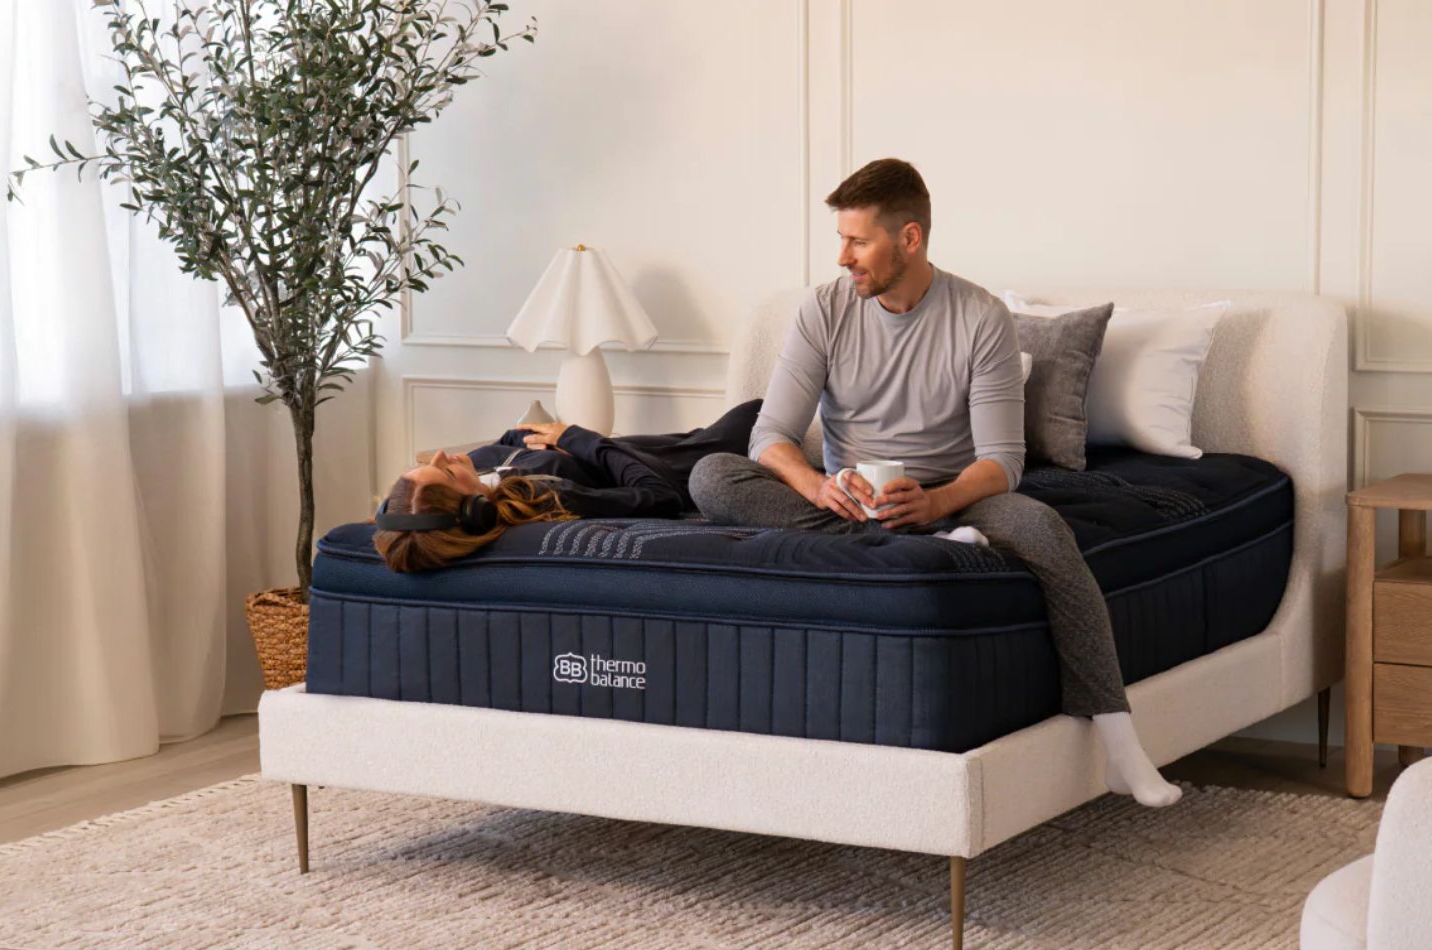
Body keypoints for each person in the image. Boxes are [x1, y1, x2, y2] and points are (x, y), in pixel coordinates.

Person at [687, 158, 1181, 808]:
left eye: (858, 241)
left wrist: (938, 501)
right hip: (851, 503)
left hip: (955, 494)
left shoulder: (979, 318)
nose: (843, 257)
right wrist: (814, 487)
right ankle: (910, 539)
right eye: (842, 240)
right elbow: (769, 436)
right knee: (710, 475)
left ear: (910, 238)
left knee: (1042, 527)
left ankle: (1119, 744)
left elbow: (1002, 461)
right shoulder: (824, 310)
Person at [373, 400, 761, 572]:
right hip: (682, 462)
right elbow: (660, 495)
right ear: (474, 510)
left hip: (639, 446)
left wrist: (562, 441)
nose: (441, 454)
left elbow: (513, 436)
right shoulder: (545, 499)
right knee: (756, 411)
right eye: (444, 472)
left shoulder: (481, 474)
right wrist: (575, 437)